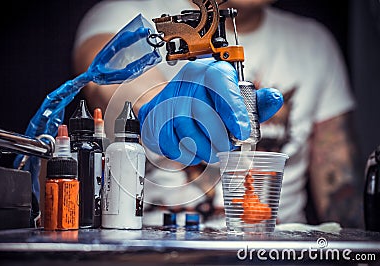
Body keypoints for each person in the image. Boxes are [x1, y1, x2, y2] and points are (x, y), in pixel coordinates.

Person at [72, 0, 363, 228]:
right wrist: (159, 102)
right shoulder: (123, 16)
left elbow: (339, 189)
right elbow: (107, 81)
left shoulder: (313, 44)